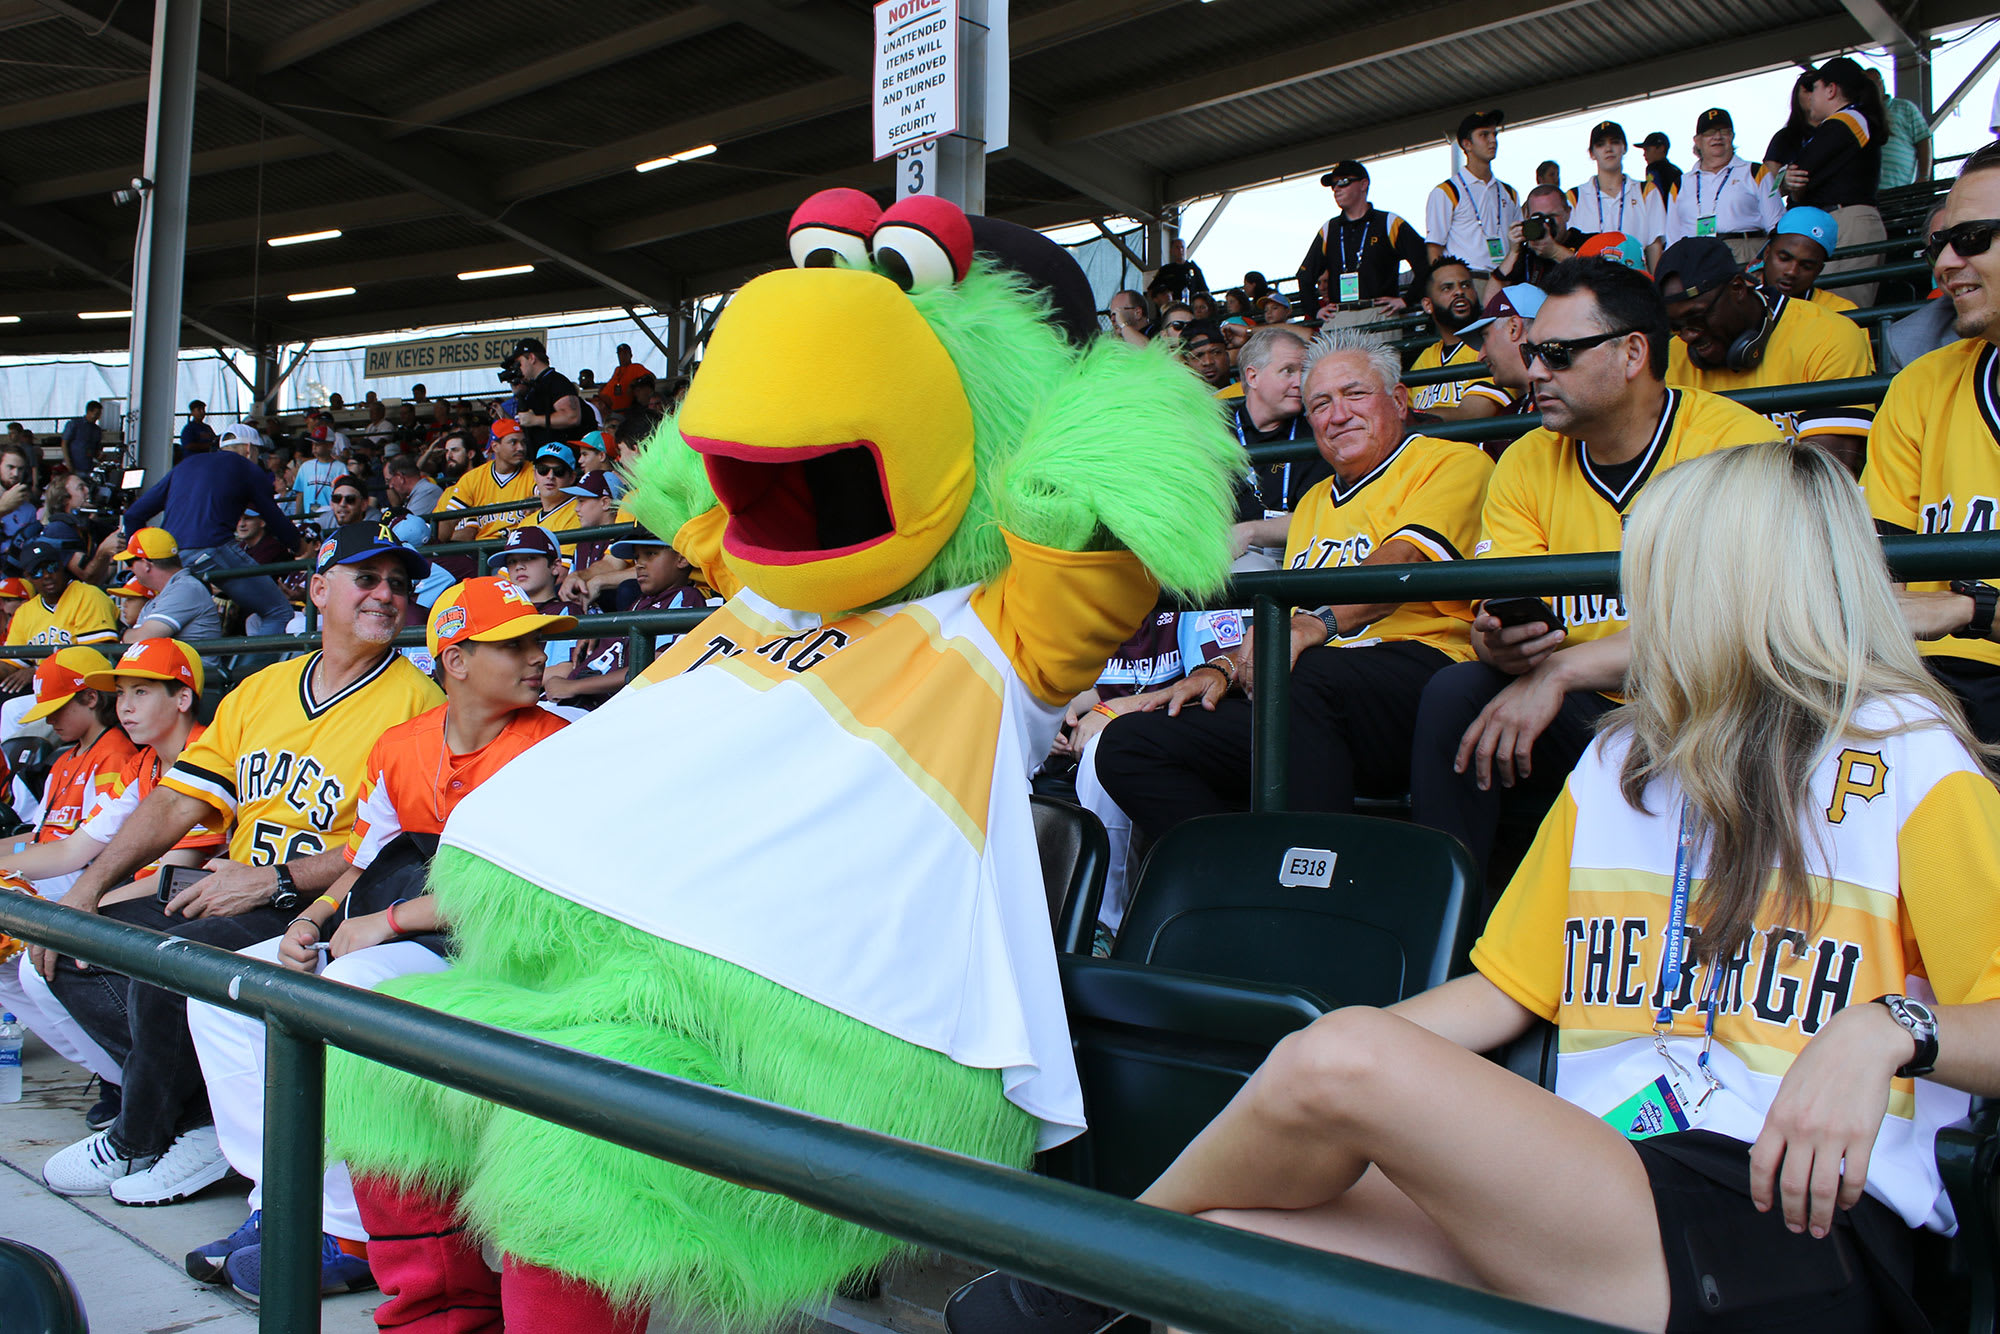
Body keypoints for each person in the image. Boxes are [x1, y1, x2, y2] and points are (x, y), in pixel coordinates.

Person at [948, 440, 2000, 1334]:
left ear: (1732, 591)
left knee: (1344, 1052)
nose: (1637, 605)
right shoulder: (1623, 757)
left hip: (1792, 1223)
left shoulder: (1909, 758)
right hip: (1599, 1177)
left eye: (1660, 577)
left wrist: (1887, 1028)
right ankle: (1099, 1283)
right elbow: (1504, 991)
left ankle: (1067, 1291)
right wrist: (1308, 1084)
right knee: (1229, 1259)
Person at [182, 578, 574, 1300]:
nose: (537, 655)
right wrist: (312, 918)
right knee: (225, 989)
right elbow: (366, 858)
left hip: (507, 950)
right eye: (513, 643)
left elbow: (530, 885)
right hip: (410, 938)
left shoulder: (559, 745)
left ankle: (349, 1233)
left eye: (537, 639)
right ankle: (281, 1204)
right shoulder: (402, 744)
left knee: (349, 995)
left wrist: (383, 923)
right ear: (455, 660)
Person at [33, 524, 444, 1203]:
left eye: (399, 584)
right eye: (367, 578)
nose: (385, 595)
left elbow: (390, 848)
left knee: (171, 963)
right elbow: (176, 801)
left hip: (322, 900)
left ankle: (140, 1138)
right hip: (235, 883)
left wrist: (276, 878)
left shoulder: (417, 702)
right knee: (75, 949)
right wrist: (87, 889)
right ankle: (197, 1125)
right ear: (317, 590)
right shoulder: (264, 689)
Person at [1407, 258, 1773, 885]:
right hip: (1578, 703)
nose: (1534, 370)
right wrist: (1500, 644)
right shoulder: (1525, 460)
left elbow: (1734, 629)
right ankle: (1446, 928)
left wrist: (1560, 672)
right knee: (1457, 693)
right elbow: (1499, 612)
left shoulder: (1735, 443)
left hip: (1705, 708)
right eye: (1532, 350)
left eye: (1558, 353)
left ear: (1633, 353)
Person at [1094, 330, 1492, 844]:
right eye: (1320, 403)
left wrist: (1312, 626)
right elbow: (1287, 625)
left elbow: (1402, 564)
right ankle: (1239, 881)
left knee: (1304, 678)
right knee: (1131, 743)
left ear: (1398, 400)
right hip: (1308, 694)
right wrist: (1223, 667)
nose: (1337, 414)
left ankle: (1310, 886)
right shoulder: (1313, 502)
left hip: (1416, 677)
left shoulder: (1451, 462)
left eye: (1355, 394)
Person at [0, 639, 224, 1126]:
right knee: (39, 962)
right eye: (121, 693)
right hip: (136, 904)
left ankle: (184, 1101)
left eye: (141, 692)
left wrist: (86, 905)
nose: (124, 706)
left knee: (46, 960)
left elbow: (177, 871)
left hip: (186, 908)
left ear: (182, 698)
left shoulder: (210, 751)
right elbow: (72, 849)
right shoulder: (142, 763)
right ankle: (137, 1090)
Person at [1863, 139, 2000, 743]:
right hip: (1930, 682)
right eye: (1938, 245)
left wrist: (1975, 609)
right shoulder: (1923, 384)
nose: (1943, 263)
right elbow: (1880, 564)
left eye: (1971, 239)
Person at [1656, 237, 1875, 473]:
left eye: (1697, 317)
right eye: (1676, 326)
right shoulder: (1669, 359)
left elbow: (1827, 476)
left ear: (1738, 288)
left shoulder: (1829, 335)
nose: (1687, 336)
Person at [118, 438, 303, 639]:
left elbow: (133, 515)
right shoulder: (246, 467)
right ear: (249, 449)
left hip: (172, 559)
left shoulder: (186, 465)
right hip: (213, 549)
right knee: (278, 612)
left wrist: (137, 558)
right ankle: (252, 671)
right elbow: (272, 516)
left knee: (197, 617)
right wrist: (299, 547)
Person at [542, 527, 705, 709]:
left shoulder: (686, 597)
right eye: (636, 557)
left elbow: (656, 666)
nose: (639, 564)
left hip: (604, 707)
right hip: (577, 698)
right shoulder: (638, 602)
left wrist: (575, 687)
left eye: (650, 554)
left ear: (682, 558)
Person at [1786, 58, 1888, 305]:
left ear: (1831, 90)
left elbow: (1802, 169)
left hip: (1848, 221)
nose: (1811, 96)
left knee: (1843, 312)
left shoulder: (1848, 119)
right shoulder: (1846, 121)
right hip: (1839, 221)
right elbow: (1802, 183)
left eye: (1816, 88)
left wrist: (1789, 180)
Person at [1298, 161, 1430, 326]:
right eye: (1333, 185)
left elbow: (1425, 261)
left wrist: (1407, 300)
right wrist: (1315, 310)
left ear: (1363, 184)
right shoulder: (1329, 229)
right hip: (1340, 315)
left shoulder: (1389, 222)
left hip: (1380, 313)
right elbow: (1304, 275)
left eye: (1343, 182)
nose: (1336, 189)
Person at [1663, 108, 1783, 263]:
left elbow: (1776, 226)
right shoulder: (1680, 184)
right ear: (1697, 140)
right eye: (1710, 132)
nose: (1717, 137)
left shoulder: (1755, 172)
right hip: (1696, 258)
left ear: (1732, 136)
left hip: (1745, 252)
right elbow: (1673, 239)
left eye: (1724, 131)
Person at [2, 536, 118, 690]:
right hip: (44, 684)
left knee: (12, 708)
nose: (46, 575)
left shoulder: (89, 596)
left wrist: (37, 671)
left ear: (62, 566)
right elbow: (11, 665)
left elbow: (94, 657)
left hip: (83, 685)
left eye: (51, 567)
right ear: (27, 577)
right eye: (36, 572)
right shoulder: (25, 612)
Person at [1425, 110, 1521, 282]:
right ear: (1467, 144)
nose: (1493, 140)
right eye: (1484, 135)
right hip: (1468, 281)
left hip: (1507, 279)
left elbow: (1519, 240)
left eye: (1494, 134)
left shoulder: (1509, 192)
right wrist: (1443, 286)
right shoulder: (1447, 191)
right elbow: (1434, 246)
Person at [1436, 285, 1547, 430]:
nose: (1480, 356)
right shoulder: (1513, 411)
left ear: (1514, 328)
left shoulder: (1566, 401)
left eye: (1485, 337)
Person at [495, 525, 584, 695]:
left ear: (555, 566)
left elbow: (565, 670)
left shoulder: (566, 610)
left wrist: (500, 682)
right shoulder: (502, 612)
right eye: (512, 562)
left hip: (547, 702)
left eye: (529, 558)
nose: (519, 567)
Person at [1569, 121, 1666, 269]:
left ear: (1624, 148)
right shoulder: (1575, 196)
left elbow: (1654, 246)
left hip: (1635, 280)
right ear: (1592, 153)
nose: (1608, 149)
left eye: (1614, 142)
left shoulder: (1646, 190)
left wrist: (1656, 288)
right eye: (1600, 144)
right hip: (1590, 283)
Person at [1407, 259, 1497, 419]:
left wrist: (1411, 418)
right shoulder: (1424, 359)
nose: (1459, 292)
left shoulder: (1492, 347)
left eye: (1466, 285)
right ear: (1428, 305)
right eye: (1447, 288)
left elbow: (1472, 415)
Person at [108, 528, 222, 649]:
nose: (129, 569)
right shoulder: (160, 597)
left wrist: (116, 628)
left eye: (130, 563)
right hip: (167, 665)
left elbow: (141, 640)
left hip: (193, 667)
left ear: (146, 564)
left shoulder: (186, 588)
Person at [442, 418, 535, 540]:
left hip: (521, 546)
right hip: (483, 550)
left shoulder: (534, 472)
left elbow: (547, 496)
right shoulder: (473, 478)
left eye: (523, 442)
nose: (521, 448)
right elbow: (449, 519)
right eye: (513, 442)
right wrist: (438, 547)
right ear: (495, 446)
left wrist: (537, 500)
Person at [555, 472, 635, 611]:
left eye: (582, 501)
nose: (576, 508)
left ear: (605, 503)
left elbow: (614, 566)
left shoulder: (624, 535)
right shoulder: (582, 542)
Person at [1754, 206, 1856, 312]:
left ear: (1819, 270)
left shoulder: (1840, 311)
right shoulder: (1740, 303)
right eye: (1784, 259)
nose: (1792, 272)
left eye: (1807, 266)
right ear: (1766, 254)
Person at [505, 338, 584, 454]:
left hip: (558, 459)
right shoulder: (535, 386)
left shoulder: (556, 381)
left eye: (519, 363)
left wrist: (535, 420)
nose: (518, 369)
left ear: (531, 358)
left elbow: (572, 416)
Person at [1497, 185, 1586, 288]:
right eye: (1538, 218)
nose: (1545, 224)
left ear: (1568, 213)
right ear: (1527, 218)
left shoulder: (1588, 242)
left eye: (1551, 216)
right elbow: (1490, 298)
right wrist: (1513, 252)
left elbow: (1599, 278)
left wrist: (1555, 252)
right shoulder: (1526, 253)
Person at [504, 443, 584, 547]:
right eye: (543, 470)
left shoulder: (579, 512)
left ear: (572, 477)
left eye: (559, 471)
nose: (550, 476)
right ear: (534, 474)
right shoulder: (526, 522)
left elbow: (564, 563)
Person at [1869, 68, 1931, 191]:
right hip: (1868, 193)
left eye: (1875, 83)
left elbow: (1923, 140)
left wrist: (1924, 176)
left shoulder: (1905, 107)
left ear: (1882, 83)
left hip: (1901, 190)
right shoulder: (1859, 114)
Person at [382, 452, 442, 524]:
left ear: (400, 477)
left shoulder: (428, 491)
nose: (390, 486)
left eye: (390, 480)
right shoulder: (417, 493)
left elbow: (404, 526)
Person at [1148, 238, 1209, 307]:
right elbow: (1151, 290)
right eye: (1177, 247)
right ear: (1171, 251)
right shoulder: (1165, 270)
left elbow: (1205, 291)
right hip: (1171, 309)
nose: (1180, 250)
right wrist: (1160, 301)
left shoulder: (1194, 269)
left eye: (1182, 247)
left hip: (1190, 308)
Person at [603, 343, 653, 416]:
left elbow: (651, 377)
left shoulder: (636, 367)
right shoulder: (617, 369)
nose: (622, 356)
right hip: (608, 409)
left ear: (631, 355)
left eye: (625, 353)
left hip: (622, 411)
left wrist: (635, 382)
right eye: (620, 354)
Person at [61, 401, 102, 478]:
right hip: (74, 466)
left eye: (99, 414)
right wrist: (68, 463)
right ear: (89, 412)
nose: (98, 417)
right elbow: (64, 443)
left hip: (88, 467)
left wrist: (99, 456)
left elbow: (97, 449)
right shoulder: (74, 424)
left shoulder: (97, 430)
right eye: (96, 414)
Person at [1640, 130, 1682, 199]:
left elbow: (1654, 197)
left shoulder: (1654, 168)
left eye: (1647, 150)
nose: (1644, 154)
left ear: (1661, 149)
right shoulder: (1676, 171)